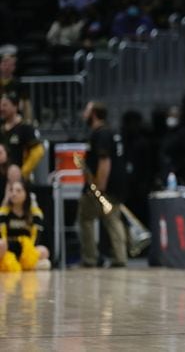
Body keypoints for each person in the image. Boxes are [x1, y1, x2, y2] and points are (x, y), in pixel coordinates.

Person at [78, 101, 128, 268]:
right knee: (113, 219)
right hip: (117, 186)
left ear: (94, 113)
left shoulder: (101, 134)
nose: (84, 114)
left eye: (87, 110)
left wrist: (99, 188)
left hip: (103, 187)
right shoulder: (111, 132)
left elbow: (104, 161)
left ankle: (90, 258)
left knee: (85, 217)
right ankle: (120, 257)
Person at [0, 180, 50, 271]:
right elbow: (2, 236)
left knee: (44, 251)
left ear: (26, 193)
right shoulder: (3, 213)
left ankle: (26, 265)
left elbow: (36, 237)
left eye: (18, 191)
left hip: (26, 249)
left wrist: (29, 254)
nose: (14, 194)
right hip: (8, 248)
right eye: (11, 190)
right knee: (1, 244)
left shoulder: (35, 214)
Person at [0, 92, 44, 181]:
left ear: (15, 106)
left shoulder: (25, 128)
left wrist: (22, 172)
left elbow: (38, 152)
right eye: (0, 105)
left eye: (5, 105)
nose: (1, 108)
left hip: (19, 181)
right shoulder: (1, 128)